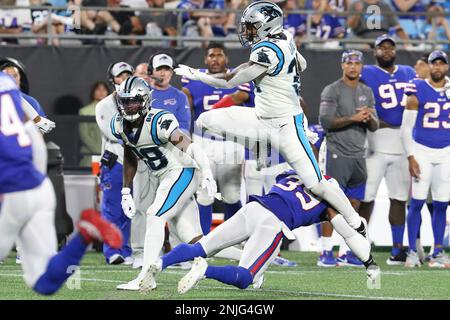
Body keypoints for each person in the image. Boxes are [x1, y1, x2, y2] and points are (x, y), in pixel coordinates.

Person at [174, 1, 367, 241]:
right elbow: (302, 64)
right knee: (205, 120)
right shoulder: (285, 36)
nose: (248, 31)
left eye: (252, 27)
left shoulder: (267, 50)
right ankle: (258, 145)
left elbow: (228, 82)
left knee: (316, 183)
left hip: (286, 126)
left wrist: (197, 75)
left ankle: (355, 220)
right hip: (261, 118)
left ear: (267, 26)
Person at [139, 172, 380, 293]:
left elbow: (284, 179)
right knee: (246, 277)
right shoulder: (331, 205)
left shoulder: (294, 174)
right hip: (272, 223)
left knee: (201, 246)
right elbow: (349, 235)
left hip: (253, 208)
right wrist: (369, 264)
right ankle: (205, 270)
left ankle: (159, 264)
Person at [0, 70, 123, 295]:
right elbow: (20, 106)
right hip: (38, 187)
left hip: (12, 193)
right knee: (45, 282)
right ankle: (86, 233)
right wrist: (37, 120)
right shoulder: (6, 84)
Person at [112, 76, 217, 291]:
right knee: (196, 240)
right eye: (125, 101)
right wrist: (125, 190)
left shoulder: (160, 120)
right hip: (165, 176)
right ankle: (250, 263)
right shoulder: (119, 124)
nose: (129, 106)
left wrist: (206, 171)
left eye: (134, 101)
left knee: (155, 215)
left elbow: (190, 146)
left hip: (183, 171)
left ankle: (145, 278)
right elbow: (131, 154)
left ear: (146, 100)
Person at [181, 42, 253, 235]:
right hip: (203, 141)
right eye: (211, 55)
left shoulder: (238, 77)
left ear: (226, 58)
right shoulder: (194, 78)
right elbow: (185, 102)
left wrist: (212, 112)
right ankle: (203, 241)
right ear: (205, 59)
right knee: (204, 194)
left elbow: (241, 96)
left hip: (230, 142)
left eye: (219, 55)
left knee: (231, 195)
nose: (215, 59)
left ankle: (233, 239)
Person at [358, 35, 416, 265]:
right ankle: (360, 246)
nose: (386, 51)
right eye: (382, 47)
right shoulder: (367, 72)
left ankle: (398, 248)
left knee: (399, 198)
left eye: (390, 47)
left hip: (403, 142)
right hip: (375, 141)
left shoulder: (409, 72)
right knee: (366, 197)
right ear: (374, 51)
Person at [319, 50, 378, 267]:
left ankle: (347, 251)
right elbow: (325, 121)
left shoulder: (367, 91)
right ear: (342, 65)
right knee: (332, 202)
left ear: (362, 66)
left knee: (354, 204)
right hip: (337, 152)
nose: (353, 66)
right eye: (349, 62)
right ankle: (325, 250)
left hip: (358, 154)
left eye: (357, 63)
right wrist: (353, 118)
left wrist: (369, 117)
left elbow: (375, 126)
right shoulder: (332, 89)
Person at [401, 50, 450, 268]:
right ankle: (412, 250)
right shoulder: (417, 89)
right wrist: (411, 157)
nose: (438, 67)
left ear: (446, 67)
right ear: (428, 66)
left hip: (446, 151)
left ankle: (438, 251)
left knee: (441, 203)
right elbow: (406, 128)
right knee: (417, 202)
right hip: (421, 150)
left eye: (441, 63)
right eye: (434, 63)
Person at [95, 61, 134, 265]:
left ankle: (126, 250)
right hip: (115, 161)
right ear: (113, 80)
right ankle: (112, 251)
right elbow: (113, 133)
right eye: (121, 75)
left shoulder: (139, 100)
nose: (125, 78)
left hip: (135, 162)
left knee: (129, 208)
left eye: (128, 74)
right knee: (112, 208)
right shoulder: (104, 105)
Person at [0, 61, 55, 134]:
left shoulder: (29, 102)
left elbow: (44, 126)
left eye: (15, 75)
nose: (11, 79)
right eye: (7, 76)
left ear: (20, 77)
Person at [79, 81, 110, 167]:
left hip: (110, 155)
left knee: (108, 178)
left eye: (104, 89)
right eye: (98, 89)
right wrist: (99, 151)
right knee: (93, 177)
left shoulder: (113, 111)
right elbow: (84, 135)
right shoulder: (85, 111)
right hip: (91, 154)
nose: (101, 92)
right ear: (93, 92)